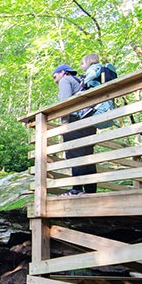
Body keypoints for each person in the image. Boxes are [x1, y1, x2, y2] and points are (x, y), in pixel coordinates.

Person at [52, 63, 97, 195]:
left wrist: (64, 122)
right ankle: (90, 190)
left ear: (63, 72)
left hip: (75, 122)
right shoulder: (79, 82)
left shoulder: (65, 80)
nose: (55, 81)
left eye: (55, 77)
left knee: (74, 154)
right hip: (89, 122)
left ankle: (76, 189)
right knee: (88, 156)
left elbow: (64, 103)